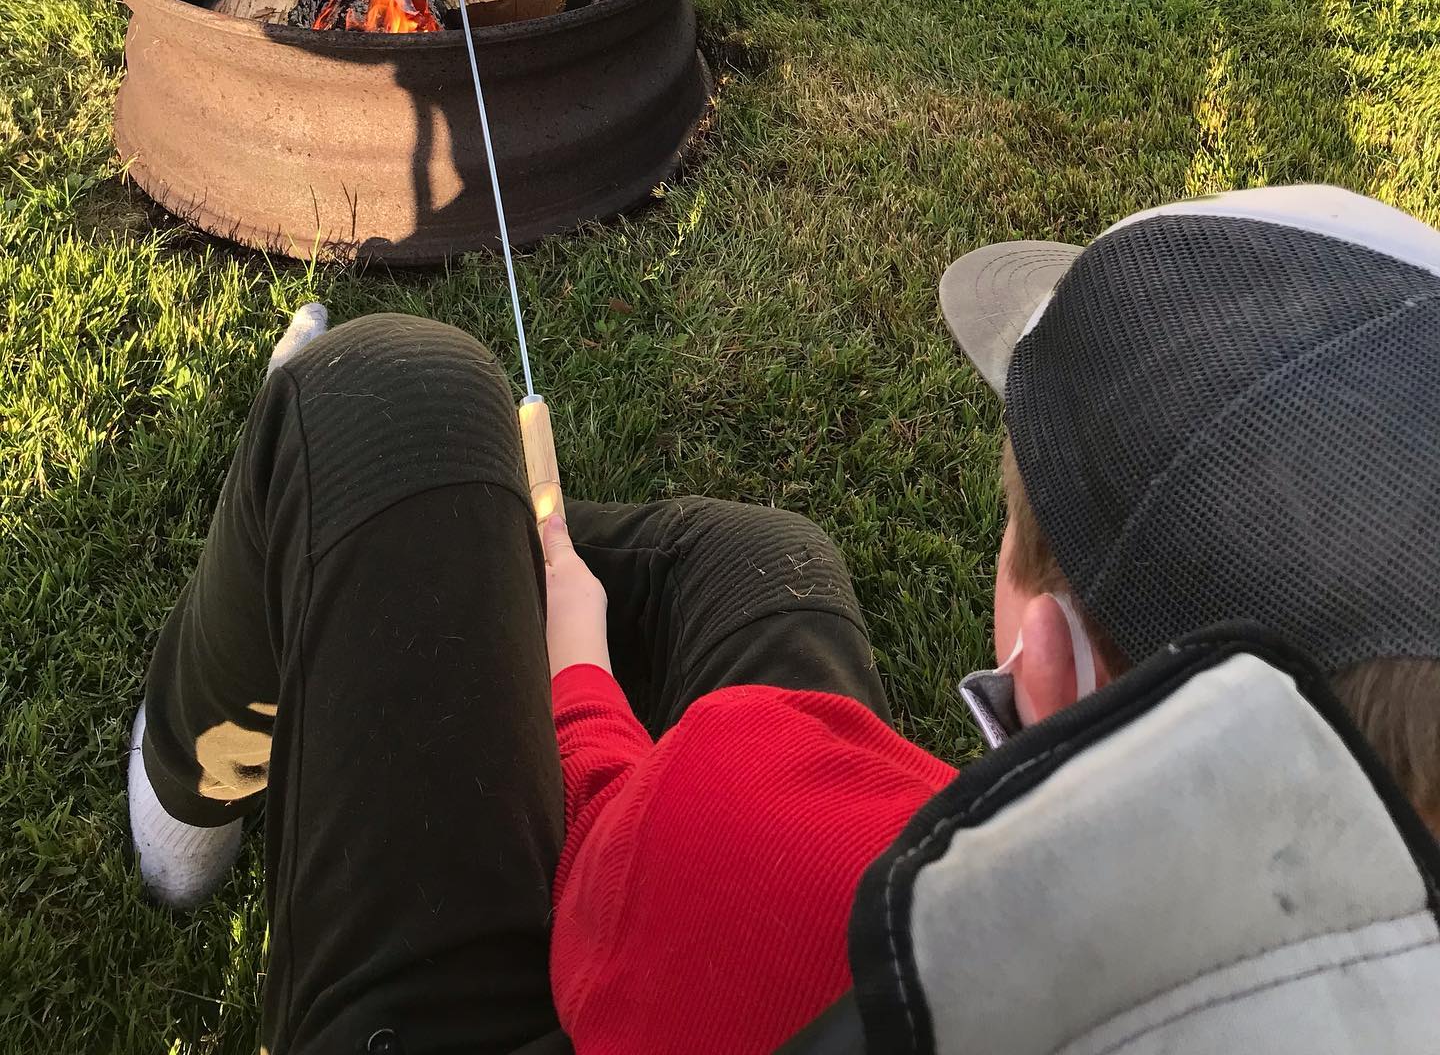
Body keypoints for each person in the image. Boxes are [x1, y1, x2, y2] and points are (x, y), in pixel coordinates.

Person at [127, 183, 1440, 1055]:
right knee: (764, 560)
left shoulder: (754, 841)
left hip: (671, 926)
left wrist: (578, 677)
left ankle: (195, 790)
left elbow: (628, 872)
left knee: (389, 392)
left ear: (1046, 660)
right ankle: (427, 541)